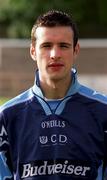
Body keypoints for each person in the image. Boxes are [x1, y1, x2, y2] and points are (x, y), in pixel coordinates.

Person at [0, 10, 107, 180]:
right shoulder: (7, 116)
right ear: (33, 51)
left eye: (63, 46)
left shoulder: (103, 112)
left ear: (76, 50)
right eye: (46, 45)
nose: (55, 54)